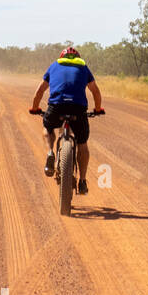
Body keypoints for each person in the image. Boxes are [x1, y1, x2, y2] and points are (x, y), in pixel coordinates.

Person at [29, 47, 104, 195]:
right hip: (78, 109)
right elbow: (95, 91)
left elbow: (39, 91)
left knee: (48, 127)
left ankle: (50, 152)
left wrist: (35, 108)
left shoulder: (54, 66)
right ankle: (82, 181)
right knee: (82, 143)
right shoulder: (83, 67)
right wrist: (97, 109)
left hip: (56, 107)